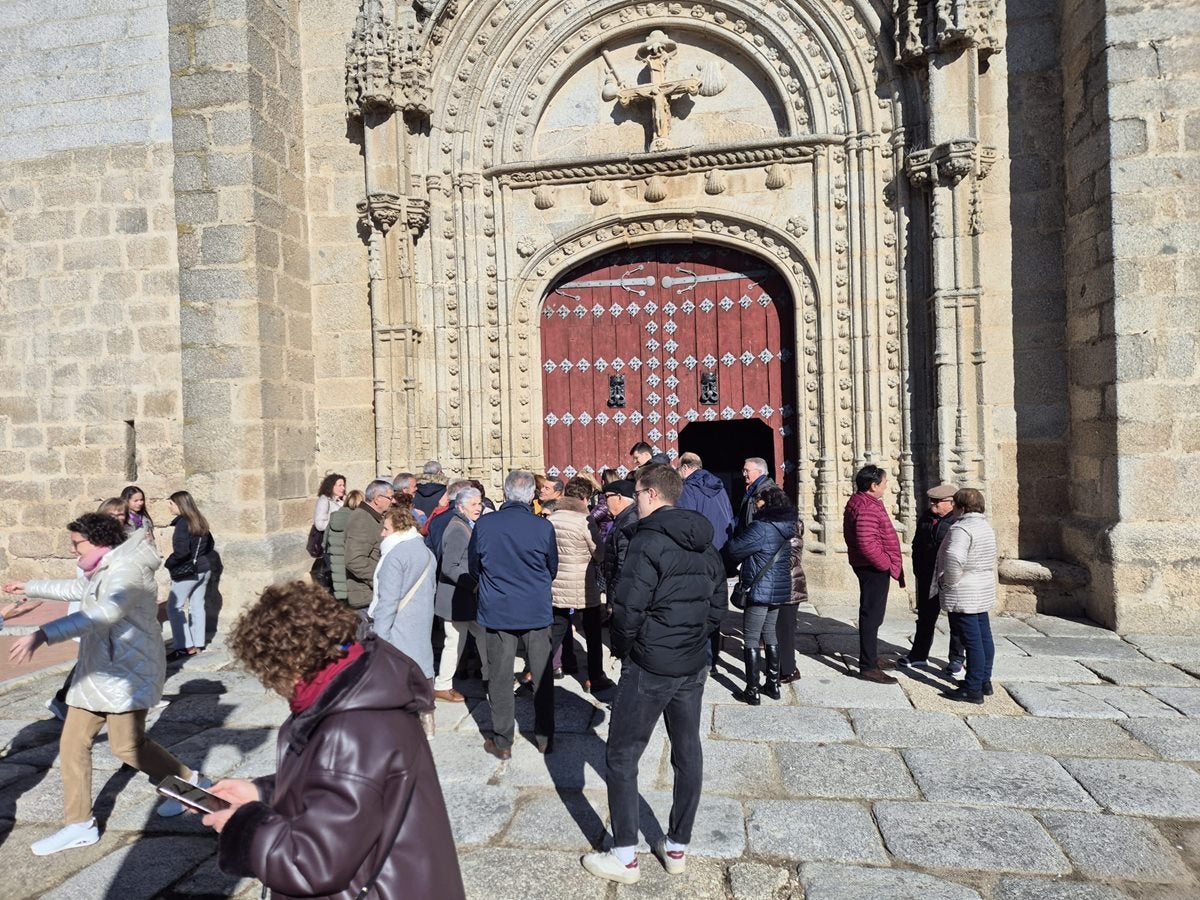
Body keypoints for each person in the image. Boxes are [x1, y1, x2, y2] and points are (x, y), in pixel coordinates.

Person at [200, 581, 465, 899]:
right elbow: (342, 787)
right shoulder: (357, 682)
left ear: (290, 664)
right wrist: (262, 791)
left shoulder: (350, 726)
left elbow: (313, 863)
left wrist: (243, 829)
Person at [4, 513, 202, 856]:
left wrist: (45, 633)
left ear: (99, 541)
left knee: (127, 746)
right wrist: (31, 586)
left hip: (127, 673)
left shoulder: (127, 569)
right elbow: (81, 590)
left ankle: (192, 787)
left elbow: (105, 612)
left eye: (77, 543)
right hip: (98, 671)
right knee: (72, 743)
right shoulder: (108, 565)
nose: (72, 549)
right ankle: (79, 825)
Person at [582, 464, 727, 884]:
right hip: (692, 663)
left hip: (652, 665)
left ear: (647, 494)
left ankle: (625, 856)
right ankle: (677, 846)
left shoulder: (647, 541)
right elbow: (719, 600)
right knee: (687, 752)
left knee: (622, 755)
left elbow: (628, 609)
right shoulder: (705, 539)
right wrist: (699, 636)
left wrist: (627, 649)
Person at [468, 470, 558, 759]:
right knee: (542, 676)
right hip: (535, 609)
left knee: (500, 676)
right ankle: (545, 737)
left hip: (498, 609)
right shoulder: (542, 527)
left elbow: (474, 568)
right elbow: (551, 568)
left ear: (505, 494)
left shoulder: (484, 525)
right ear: (532, 495)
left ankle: (503, 741)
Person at [725, 487, 797, 704]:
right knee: (770, 633)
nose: (756, 504)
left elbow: (735, 549)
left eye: (759, 501)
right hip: (778, 588)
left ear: (767, 503)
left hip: (759, 588)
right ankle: (773, 685)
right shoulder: (787, 526)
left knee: (751, 637)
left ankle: (752, 689)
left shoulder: (761, 527)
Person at [371, 508, 437, 726]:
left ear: (399, 529)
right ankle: (427, 720)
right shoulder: (426, 551)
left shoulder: (395, 556)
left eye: (386, 528)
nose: (382, 534)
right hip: (422, 621)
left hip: (398, 627)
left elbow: (387, 602)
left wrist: (379, 638)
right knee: (423, 667)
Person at [548, 478, 615, 694]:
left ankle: (543, 671)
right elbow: (599, 552)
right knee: (593, 633)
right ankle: (594, 677)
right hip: (584, 586)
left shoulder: (552, 518)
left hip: (557, 583)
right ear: (585, 498)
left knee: (557, 628)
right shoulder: (584, 520)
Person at [936, 489, 999, 704]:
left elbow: (954, 557)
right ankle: (983, 681)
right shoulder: (985, 527)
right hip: (981, 588)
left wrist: (948, 581)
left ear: (960, 507)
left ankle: (973, 689)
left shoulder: (962, 529)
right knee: (983, 636)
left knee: (972, 641)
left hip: (965, 591)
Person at [843, 465, 904, 684]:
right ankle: (868, 666)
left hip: (869, 565)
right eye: (884, 482)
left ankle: (871, 657)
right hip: (872, 567)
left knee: (873, 615)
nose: (887, 486)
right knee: (871, 615)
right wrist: (884, 563)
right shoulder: (867, 507)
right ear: (873, 485)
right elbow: (866, 543)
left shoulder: (861, 501)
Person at [899, 483, 966, 677]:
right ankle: (919, 654)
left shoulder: (958, 522)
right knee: (925, 617)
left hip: (950, 577)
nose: (933, 504)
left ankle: (956, 660)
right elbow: (917, 544)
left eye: (938, 501)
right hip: (928, 576)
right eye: (932, 501)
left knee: (956, 618)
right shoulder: (927, 518)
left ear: (952, 503)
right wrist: (918, 568)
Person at [677, 452, 735, 673]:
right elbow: (729, 517)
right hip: (718, 554)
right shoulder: (719, 488)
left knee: (697, 605)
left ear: (684, 468)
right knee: (714, 604)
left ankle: (701, 658)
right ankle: (713, 657)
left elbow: (686, 524)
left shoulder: (688, 490)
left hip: (698, 555)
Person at [433, 487, 488, 699]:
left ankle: (489, 676)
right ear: (461, 506)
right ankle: (442, 685)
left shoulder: (466, 524)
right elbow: (450, 566)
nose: (479, 507)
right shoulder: (457, 528)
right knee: (454, 642)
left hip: (466, 599)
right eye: (474, 504)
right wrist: (472, 584)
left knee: (483, 635)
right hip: (457, 598)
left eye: (480, 503)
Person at [164, 490, 215, 660]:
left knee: (174, 607)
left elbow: (181, 552)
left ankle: (184, 647)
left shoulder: (182, 523)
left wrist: (168, 563)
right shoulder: (200, 520)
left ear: (179, 504)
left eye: (171, 503)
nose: (169, 506)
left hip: (189, 571)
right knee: (196, 604)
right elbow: (210, 545)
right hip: (204, 567)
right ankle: (198, 643)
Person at [344, 479, 393, 640]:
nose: (392, 501)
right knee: (368, 649)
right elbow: (354, 560)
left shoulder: (374, 517)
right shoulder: (362, 519)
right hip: (365, 598)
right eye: (389, 497)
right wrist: (378, 580)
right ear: (378, 498)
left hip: (371, 596)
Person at [324, 489, 362, 603]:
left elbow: (324, 542)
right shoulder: (360, 518)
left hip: (335, 562)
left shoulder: (334, 516)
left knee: (340, 595)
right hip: (352, 563)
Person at [600, 479, 638, 591]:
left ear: (619, 497)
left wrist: (613, 600)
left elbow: (623, 565)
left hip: (622, 593)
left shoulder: (628, 523)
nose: (605, 502)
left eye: (607, 497)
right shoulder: (624, 518)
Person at [309, 473, 345, 588]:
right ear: (331, 486)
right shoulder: (324, 500)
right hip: (329, 542)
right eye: (339, 485)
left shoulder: (340, 500)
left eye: (343, 485)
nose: (343, 488)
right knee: (331, 571)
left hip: (339, 542)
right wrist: (335, 523)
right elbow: (319, 524)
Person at [735, 457, 776, 533]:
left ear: (759, 472)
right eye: (743, 471)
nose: (744, 474)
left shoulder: (766, 492)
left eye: (747, 471)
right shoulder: (752, 490)